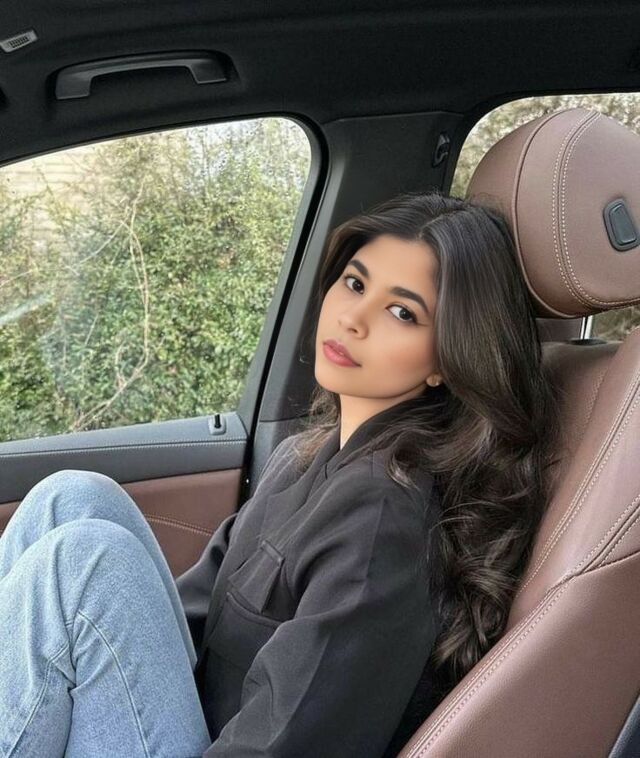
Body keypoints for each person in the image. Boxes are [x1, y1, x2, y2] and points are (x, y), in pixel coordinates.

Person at [0, 190, 561, 757]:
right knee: (71, 497)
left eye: (402, 313)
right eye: (355, 283)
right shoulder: (303, 458)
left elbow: (292, 742)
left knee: (87, 560)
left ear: (446, 357)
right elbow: (193, 619)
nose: (353, 318)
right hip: (198, 720)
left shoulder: (381, 523)